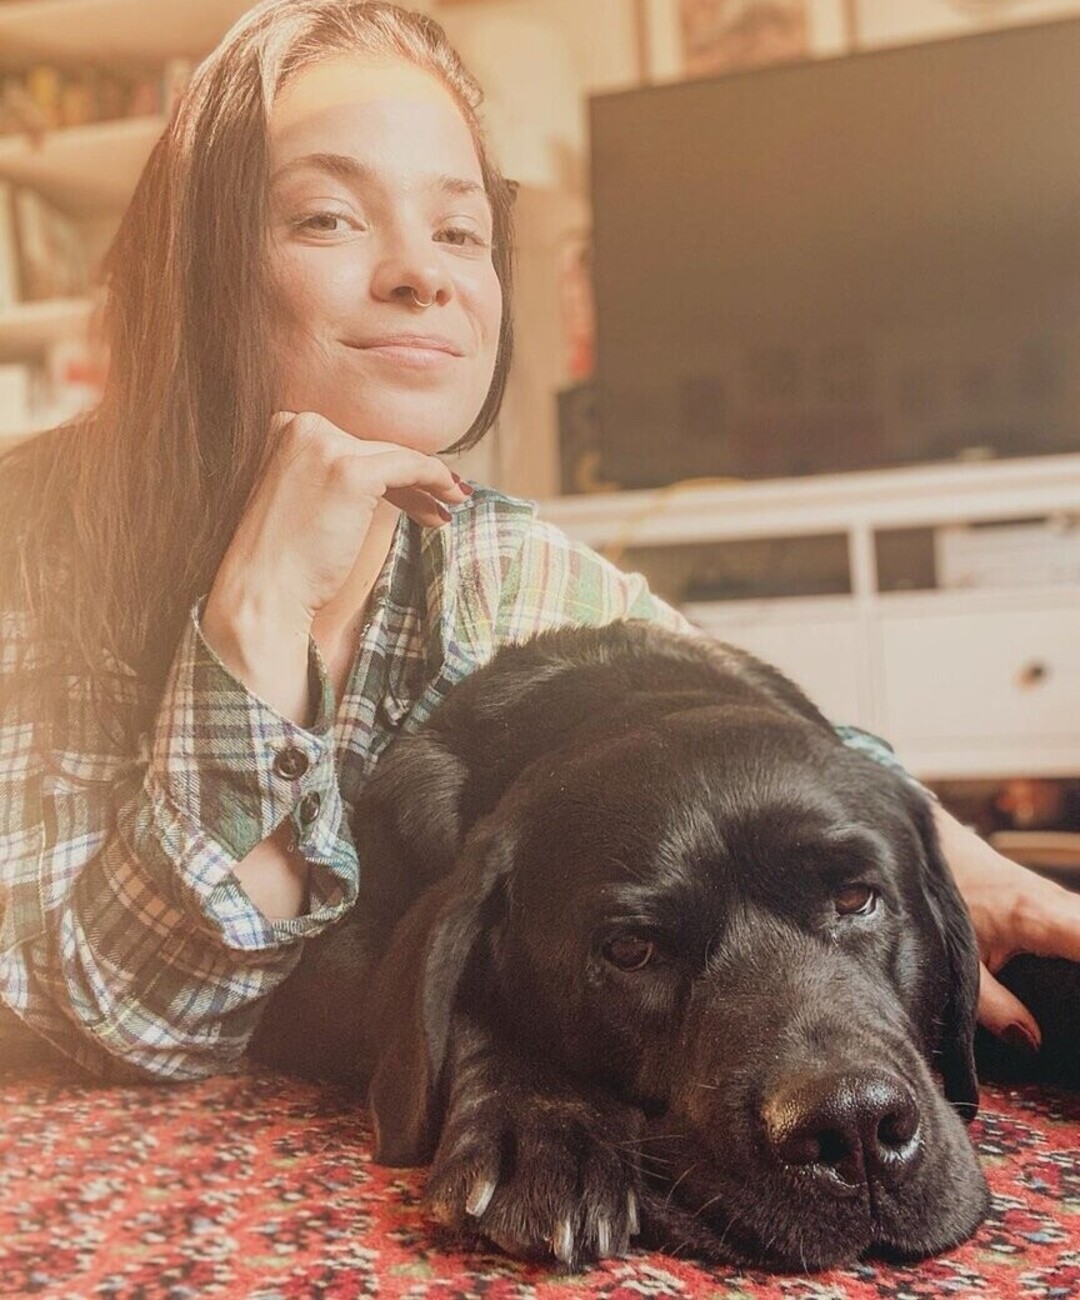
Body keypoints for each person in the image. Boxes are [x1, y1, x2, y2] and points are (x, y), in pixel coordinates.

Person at [0, 0, 1077, 1083]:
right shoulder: (32, 539)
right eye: (328, 218)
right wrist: (265, 621)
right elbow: (143, 1029)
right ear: (195, 266)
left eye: (459, 231)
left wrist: (958, 865)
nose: (424, 274)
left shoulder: (488, 559)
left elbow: (753, 724)